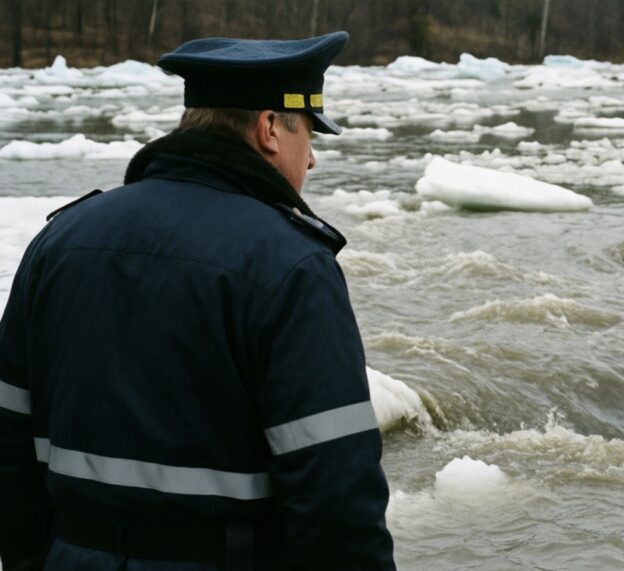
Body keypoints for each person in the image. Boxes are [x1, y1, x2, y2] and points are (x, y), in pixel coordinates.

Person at [0, 32, 395, 570]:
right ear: (270, 129)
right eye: (309, 134)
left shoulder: (61, 240)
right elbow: (336, 495)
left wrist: (31, 561)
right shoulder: (290, 265)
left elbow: (9, 442)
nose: (313, 160)